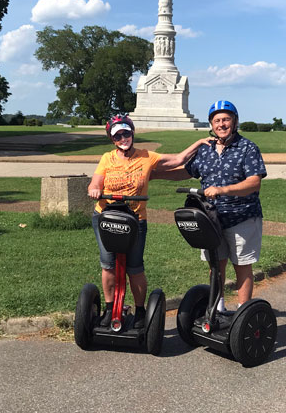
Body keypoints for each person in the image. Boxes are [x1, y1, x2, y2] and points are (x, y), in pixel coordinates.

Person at [88, 114, 210, 328]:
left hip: (135, 218)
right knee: (108, 265)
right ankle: (110, 309)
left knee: (135, 267)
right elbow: (95, 182)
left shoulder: (147, 157)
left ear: (132, 133)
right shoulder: (107, 158)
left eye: (126, 133)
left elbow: (178, 160)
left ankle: (140, 310)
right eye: (118, 135)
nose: (123, 138)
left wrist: (199, 143)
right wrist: (94, 190)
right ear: (112, 139)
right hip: (106, 215)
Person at [155, 100, 267, 312]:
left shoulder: (247, 148)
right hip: (211, 218)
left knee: (242, 266)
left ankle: (243, 313)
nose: (221, 124)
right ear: (211, 124)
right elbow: (186, 171)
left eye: (226, 119)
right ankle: (218, 308)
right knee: (216, 265)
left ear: (234, 122)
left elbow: (254, 182)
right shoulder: (205, 149)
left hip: (241, 217)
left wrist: (223, 190)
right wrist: (153, 175)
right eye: (217, 121)